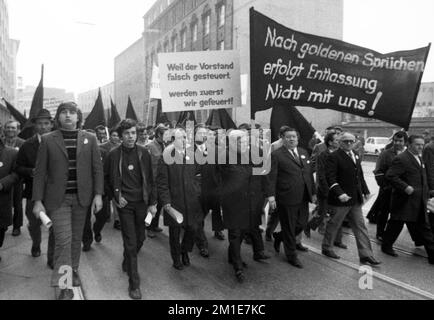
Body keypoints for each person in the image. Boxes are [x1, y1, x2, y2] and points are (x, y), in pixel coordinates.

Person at [32, 102, 104, 300]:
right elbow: (39, 173)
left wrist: (98, 195)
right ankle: (64, 286)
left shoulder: (90, 138)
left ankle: (72, 270)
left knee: (75, 240)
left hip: (82, 199)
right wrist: (37, 201)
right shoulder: (48, 139)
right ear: (58, 117)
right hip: (58, 200)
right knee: (63, 241)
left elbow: (97, 169)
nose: (68, 116)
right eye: (63, 112)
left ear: (78, 117)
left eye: (72, 112)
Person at [104, 119, 157, 300]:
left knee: (140, 238)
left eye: (133, 133)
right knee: (131, 242)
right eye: (127, 133)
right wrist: (116, 196)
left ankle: (127, 259)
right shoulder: (113, 155)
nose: (130, 137)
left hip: (142, 203)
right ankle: (134, 284)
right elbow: (105, 179)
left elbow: (151, 180)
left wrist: (152, 203)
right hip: (124, 205)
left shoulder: (144, 153)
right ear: (120, 135)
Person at [218, 130, 271, 282]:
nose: (244, 144)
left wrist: (268, 194)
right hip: (233, 203)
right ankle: (238, 266)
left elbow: (264, 174)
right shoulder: (224, 156)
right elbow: (221, 179)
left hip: (252, 201)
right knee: (235, 234)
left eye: (246, 141)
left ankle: (232, 256)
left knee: (244, 231)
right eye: (240, 141)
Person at [321, 132, 381, 266]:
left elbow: (359, 176)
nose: (349, 143)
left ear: (355, 142)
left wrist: (365, 191)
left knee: (360, 226)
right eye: (346, 141)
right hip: (341, 198)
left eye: (351, 141)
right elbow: (330, 177)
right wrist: (339, 193)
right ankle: (327, 247)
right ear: (340, 143)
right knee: (334, 224)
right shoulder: (334, 157)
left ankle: (366, 254)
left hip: (355, 198)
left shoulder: (356, 155)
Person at [381, 135, 434, 265]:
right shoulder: (401, 159)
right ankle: (386, 246)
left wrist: (428, 192)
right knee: (396, 223)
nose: (420, 147)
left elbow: (423, 177)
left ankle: (432, 255)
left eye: (422, 144)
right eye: (417, 144)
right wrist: (405, 187)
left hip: (419, 199)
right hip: (404, 199)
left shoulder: (420, 158)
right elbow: (390, 176)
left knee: (424, 226)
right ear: (409, 145)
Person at [269, 126, 316, 269]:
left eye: (294, 136)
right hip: (286, 196)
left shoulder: (303, 152)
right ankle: (291, 256)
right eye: (288, 136)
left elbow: (308, 174)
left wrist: (313, 192)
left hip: (303, 195)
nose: (291, 139)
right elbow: (271, 177)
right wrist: (271, 196)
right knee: (289, 227)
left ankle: (279, 236)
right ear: (282, 139)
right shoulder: (276, 155)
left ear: (297, 138)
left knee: (301, 224)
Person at [157, 127, 202, 271]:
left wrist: (197, 190)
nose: (184, 140)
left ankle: (185, 250)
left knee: (193, 228)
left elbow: (198, 175)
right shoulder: (165, 157)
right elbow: (162, 183)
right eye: (180, 137)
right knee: (175, 233)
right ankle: (176, 258)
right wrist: (166, 202)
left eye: (185, 137)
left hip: (191, 200)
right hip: (174, 202)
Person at [15, 109, 55, 265]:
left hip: (54, 193)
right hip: (33, 193)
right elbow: (18, 167)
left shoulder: (59, 143)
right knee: (34, 224)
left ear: (51, 125)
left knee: (55, 226)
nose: (43, 127)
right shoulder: (27, 145)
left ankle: (52, 257)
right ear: (35, 126)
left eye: (46, 123)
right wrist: (31, 172)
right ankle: (36, 243)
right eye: (40, 123)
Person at [82, 128, 121, 250]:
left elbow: (109, 172)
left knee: (103, 216)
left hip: (102, 191)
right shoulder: (79, 153)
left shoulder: (104, 152)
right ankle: (87, 241)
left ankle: (97, 230)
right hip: (84, 191)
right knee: (85, 219)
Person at [305, 131, 344, 243]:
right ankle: (309, 225)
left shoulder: (341, 154)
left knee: (338, 215)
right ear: (330, 142)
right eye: (337, 140)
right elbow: (321, 175)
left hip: (338, 189)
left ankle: (338, 240)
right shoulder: (323, 155)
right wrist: (327, 189)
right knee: (322, 214)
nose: (339, 142)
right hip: (325, 190)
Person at [372, 131, 407, 241]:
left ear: (405, 142)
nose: (397, 143)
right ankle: (380, 233)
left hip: (402, 190)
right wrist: (385, 186)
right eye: (395, 140)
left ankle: (390, 235)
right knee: (384, 211)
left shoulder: (408, 154)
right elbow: (378, 171)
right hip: (388, 189)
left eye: (400, 141)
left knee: (398, 214)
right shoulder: (385, 153)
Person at [145, 124, 168, 238]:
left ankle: (154, 225)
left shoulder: (165, 145)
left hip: (162, 181)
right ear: (159, 134)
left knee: (159, 206)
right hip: (153, 181)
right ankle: (148, 226)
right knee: (152, 205)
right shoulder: (149, 146)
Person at [3, 120, 25, 236]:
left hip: (17, 177)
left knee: (17, 203)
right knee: (3, 202)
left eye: (13, 128)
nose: (10, 130)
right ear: (4, 129)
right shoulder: (1, 142)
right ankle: (3, 223)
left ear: (18, 130)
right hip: (3, 177)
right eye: (8, 127)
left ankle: (17, 226)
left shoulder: (23, 143)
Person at [0, 139, 19, 262]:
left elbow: (16, 173)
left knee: (0, 228)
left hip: (2, 198)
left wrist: (3, 183)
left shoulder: (11, 153)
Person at [423, 134, 434, 232]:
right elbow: (429, 168)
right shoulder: (429, 148)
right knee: (430, 207)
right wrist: (431, 186)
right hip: (431, 183)